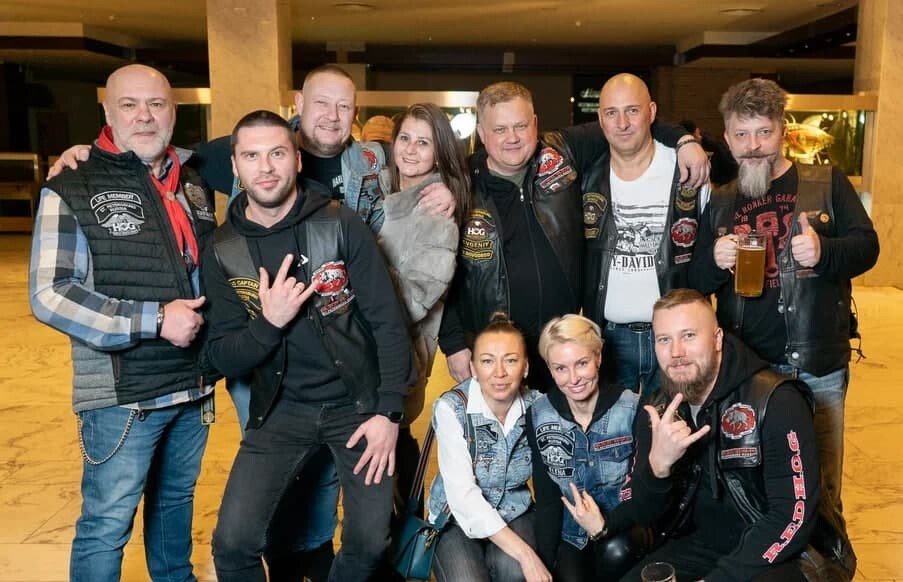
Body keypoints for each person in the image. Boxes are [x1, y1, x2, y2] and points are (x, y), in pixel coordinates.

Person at [203, 110, 412, 581]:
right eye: (251, 156)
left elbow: (388, 323)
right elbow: (220, 356)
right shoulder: (222, 248)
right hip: (281, 410)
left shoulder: (339, 224)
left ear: (297, 159)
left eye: (277, 153)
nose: (265, 167)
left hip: (358, 407)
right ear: (234, 166)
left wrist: (389, 413)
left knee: (368, 543)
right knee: (232, 546)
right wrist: (269, 323)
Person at [29, 64, 218, 582]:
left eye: (156, 104)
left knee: (174, 508)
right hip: (123, 396)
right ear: (108, 112)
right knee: (107, 523)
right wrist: (153, 320)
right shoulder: (73, 184)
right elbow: (50, 294)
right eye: (129, 105)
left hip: (191, 386)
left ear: (174, 112)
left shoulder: (192, 181)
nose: (144, 116)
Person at [688, 78, 879, 577]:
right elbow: (692, 285)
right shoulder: (721, 200)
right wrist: (712, 261)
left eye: (763, 132)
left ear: (783, 132)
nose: (753, 146)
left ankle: (829, 572)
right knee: (755, 486)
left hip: (817, 364)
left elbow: (868, 247)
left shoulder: (825, 183)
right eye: (741, 134)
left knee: (821, 489)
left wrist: (825, 252)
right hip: (746, 372)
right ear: (727, 139)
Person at [439, 80, 709, 394]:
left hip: (562, 347)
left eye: (521, 126)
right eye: (500, 129)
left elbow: (628, 126)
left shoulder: (562, 152)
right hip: (496, 351)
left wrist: (684, 141)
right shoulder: (460, 188)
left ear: (535, 124)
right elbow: (443, 276)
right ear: (482, 133)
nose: (512, 138)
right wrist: (453, 343)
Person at [567, 289, 821, 581]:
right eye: (664, 339)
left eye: (688, 336)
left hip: (773, 550)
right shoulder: (657, 407)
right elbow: (645, 514)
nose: (676, 352)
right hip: (703, 545)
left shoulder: (774, 401)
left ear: (717, 339)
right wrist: (658, 467)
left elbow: (793, 517)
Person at [581, 74, 711, 400]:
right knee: (613, 430)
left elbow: (709, 247)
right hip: (608, 337)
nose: (622, 123)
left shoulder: (686, 169)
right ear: (600, 119)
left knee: (677, 424)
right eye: (612, 113)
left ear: (651, 112)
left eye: (632, 110)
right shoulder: (585, 176)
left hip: (674, 338)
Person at [376, 102, 470, 510]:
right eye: (405, 138)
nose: (411, 150)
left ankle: (403, 535)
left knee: (385, 461)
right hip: (364, 351)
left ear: (439, 152)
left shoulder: (435, 212)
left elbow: (415, 299)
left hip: (397, 354)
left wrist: (360, 279)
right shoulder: (380, 190)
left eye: (423, 143)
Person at [427, 313, 550, 582]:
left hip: (514, 510)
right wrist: (526, 554)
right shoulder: (452, 408)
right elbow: (463, 497)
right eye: (487, 361)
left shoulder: (539, 407)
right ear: (473, 368)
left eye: (511, 360)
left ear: (526, 367)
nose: (499, 372)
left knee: (514, 572)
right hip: (453, 518)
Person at [527, 314, 640, 580]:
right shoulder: (539, 415)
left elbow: (643, 492)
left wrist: (606, 527)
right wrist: (544, 564)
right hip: (573, 534)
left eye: (582, 363)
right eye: (560, 368)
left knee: (616, 553)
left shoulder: (632, 408)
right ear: (549, 368)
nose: (573, 378)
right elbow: (547, 499)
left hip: (623, 528)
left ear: (598, 358)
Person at [680, 119, 739, 186]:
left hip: (722, 183)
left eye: (692, 138)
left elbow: (730, 168)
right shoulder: (684, 147)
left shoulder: (713, 145)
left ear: (697, 131)